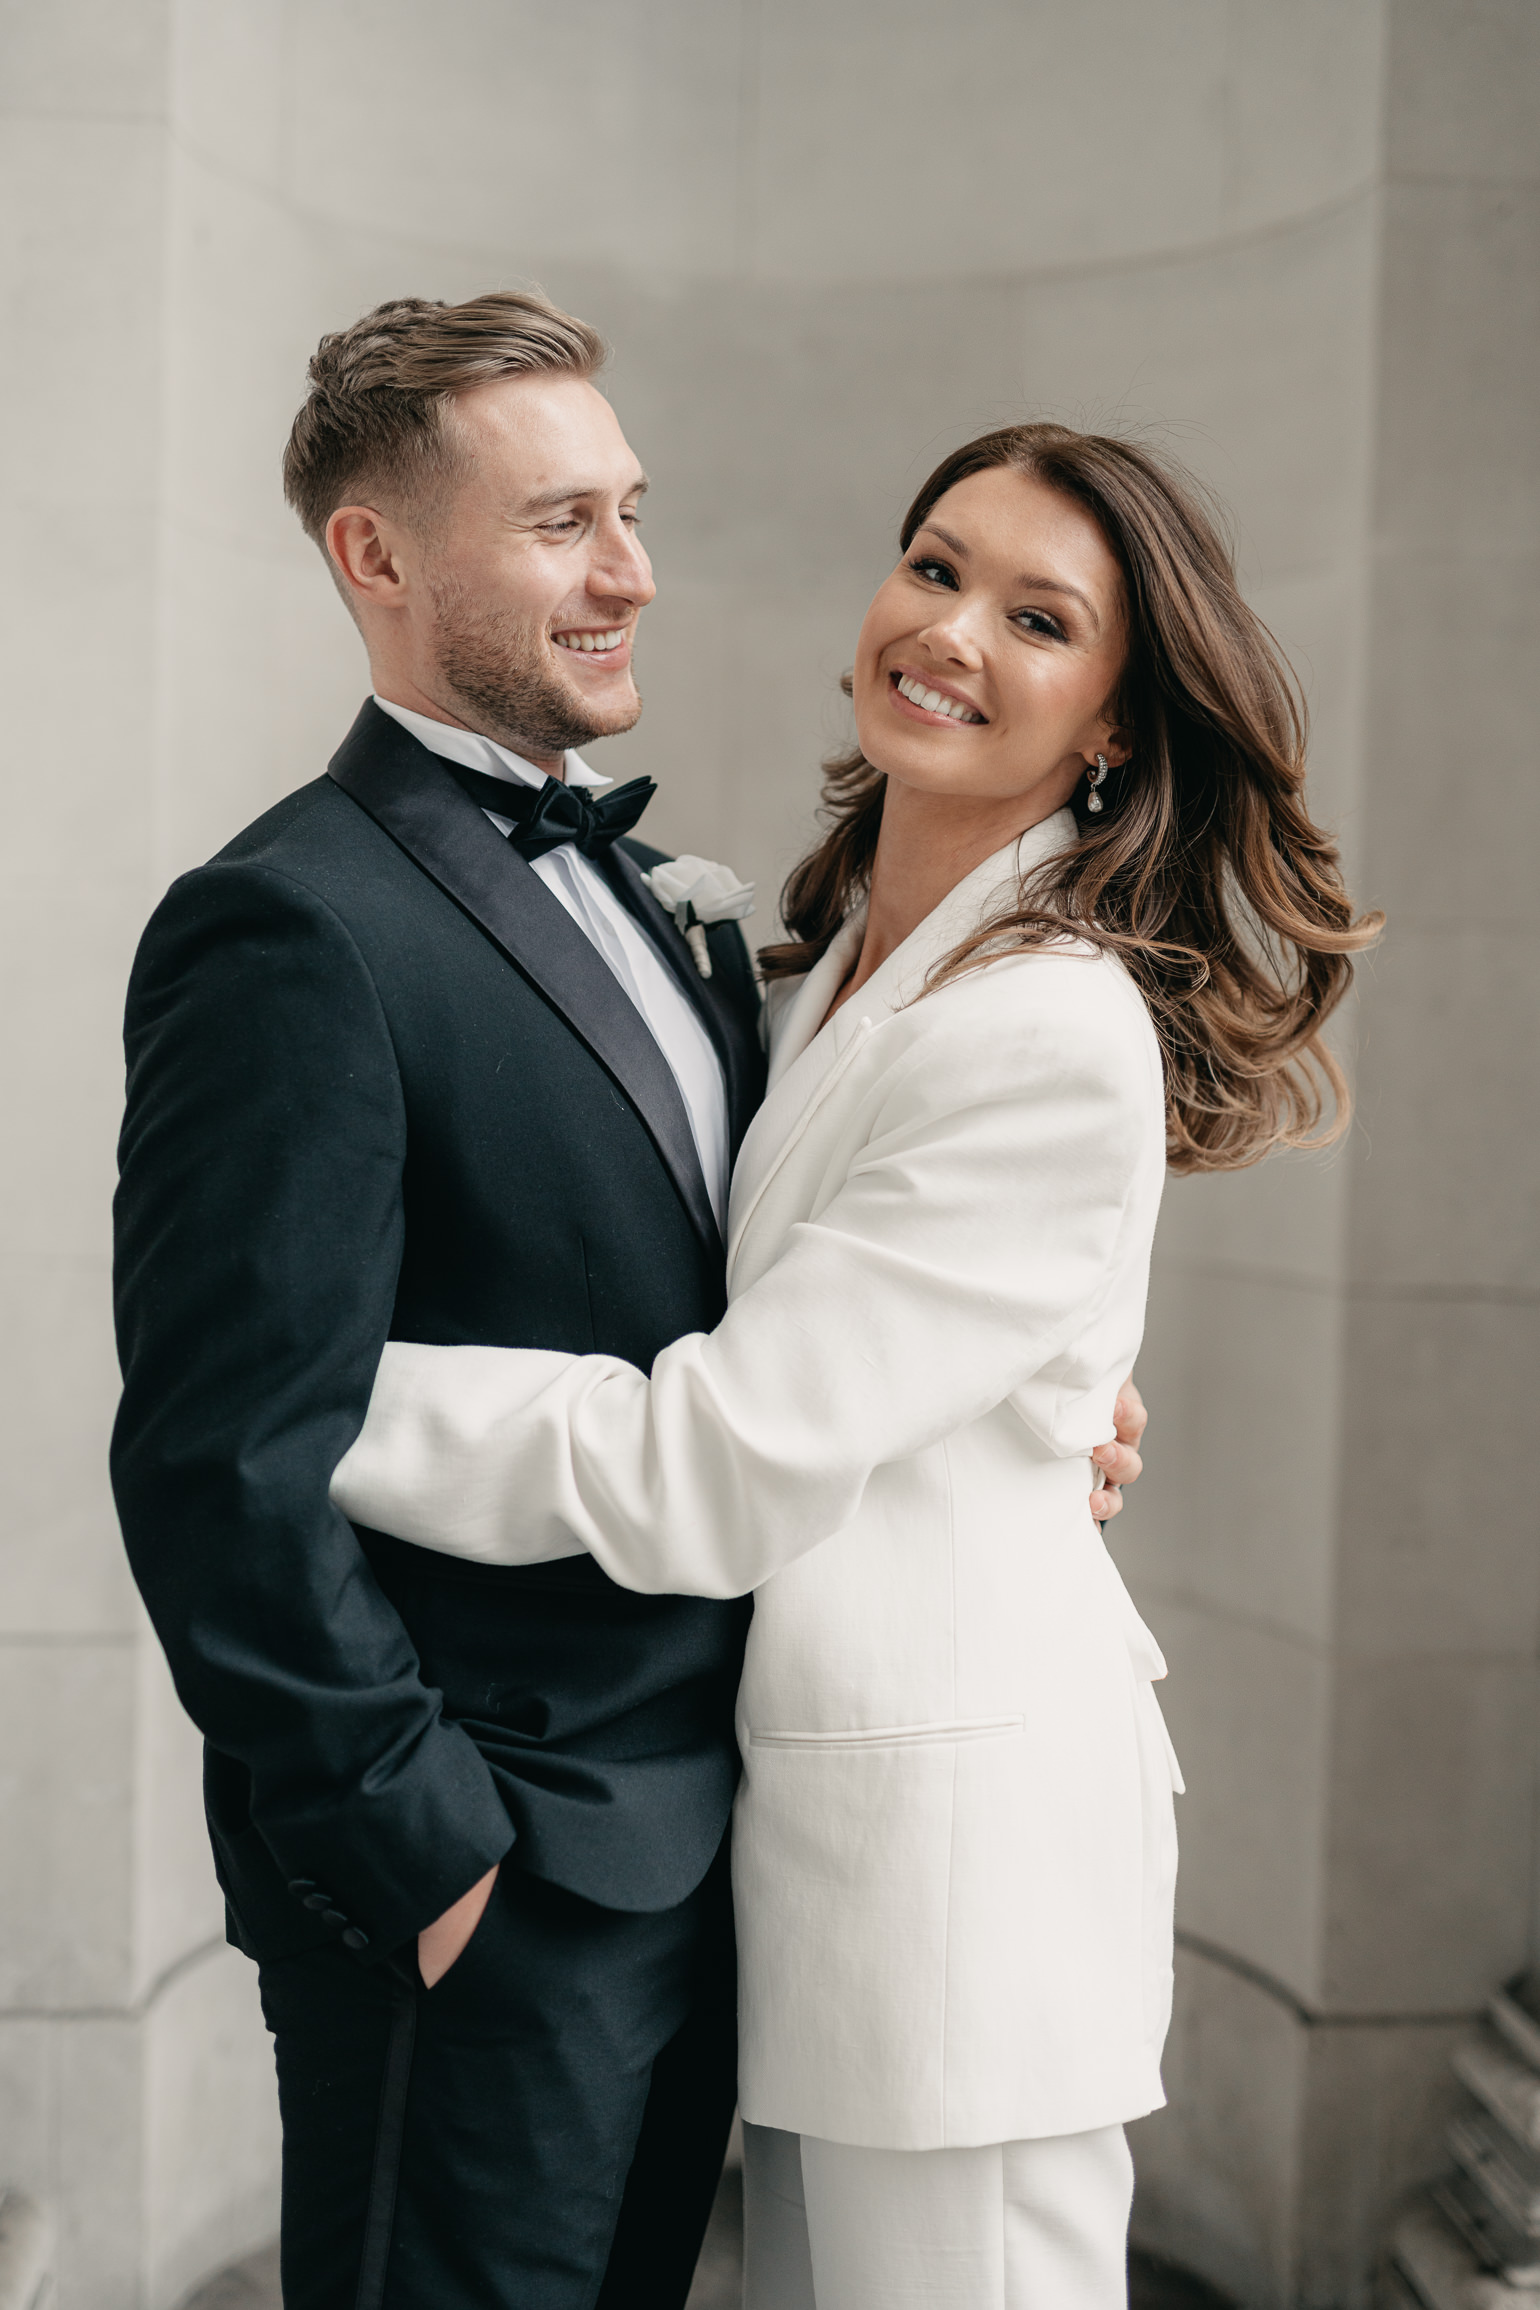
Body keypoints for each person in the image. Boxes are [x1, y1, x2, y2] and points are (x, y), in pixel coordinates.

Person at [109, 294, 1146, 2310]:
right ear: (378, 559)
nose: (633, 573)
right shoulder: (289, 923)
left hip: (719, 1866)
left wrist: (1051, 1395)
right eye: (562, 521)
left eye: (631, 509)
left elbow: (817, 1306)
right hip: (487, 1870)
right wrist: (421, 1856)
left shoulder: (710, 930)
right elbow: (222, 1462)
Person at [332, 420, 1380, 2310]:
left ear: (1118, 723)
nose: (954, 629)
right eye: (936, 564)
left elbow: (711, 1461)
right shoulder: (815, 974)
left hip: (959, 1883)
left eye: (1039, 617)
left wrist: (336, 1400)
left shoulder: (1050, 1030)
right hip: (833, 1860)